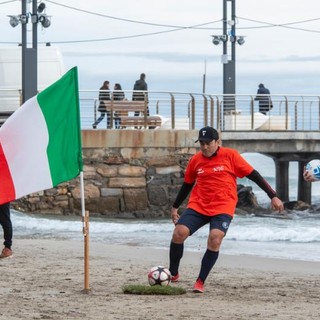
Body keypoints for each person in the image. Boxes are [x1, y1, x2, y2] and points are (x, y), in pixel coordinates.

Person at [169, 126, 284, 293]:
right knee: (179, 233)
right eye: (201, 143)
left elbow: (254, 175)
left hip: (223, 206)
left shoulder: (231, 156)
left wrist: (272, 195)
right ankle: (173, 274)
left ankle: (200, 281)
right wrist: (175, 207)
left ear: (218, 142)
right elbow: (187, 185)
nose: (204, 147)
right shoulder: (196, 160)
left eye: (208, 143)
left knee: (215, 238)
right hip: (199, 205)